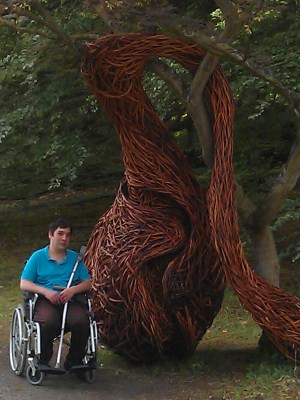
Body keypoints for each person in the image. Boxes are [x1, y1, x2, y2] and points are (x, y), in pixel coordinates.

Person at [20, 218, 91, 370]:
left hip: (69, 301)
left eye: (67, 235)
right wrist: (46, 291)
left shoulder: (75, 259)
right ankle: (44, 360)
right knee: (48, 322)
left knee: (82, 321)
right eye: (60, 234)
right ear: (50, 235)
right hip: (45, 300)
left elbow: (88, 282)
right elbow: (24, 283)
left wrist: (72, 290)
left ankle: (74, 360)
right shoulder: (38, 257)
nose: (64, 238)